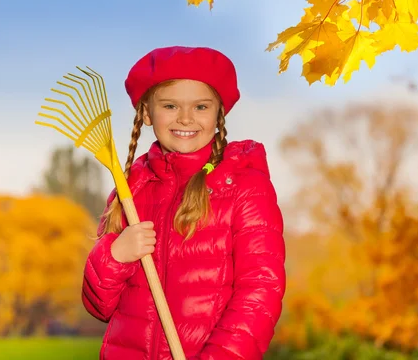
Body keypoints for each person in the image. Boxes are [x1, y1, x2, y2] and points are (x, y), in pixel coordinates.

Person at [81, 46, 286, 360]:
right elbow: (100, 306)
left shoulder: (244, 186)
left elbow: (260, 291)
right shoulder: (130, 190)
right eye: (170, 105)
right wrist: (115, 255)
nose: (186, 118)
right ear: (147, 112)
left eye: (201, 106)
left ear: (219, 113)